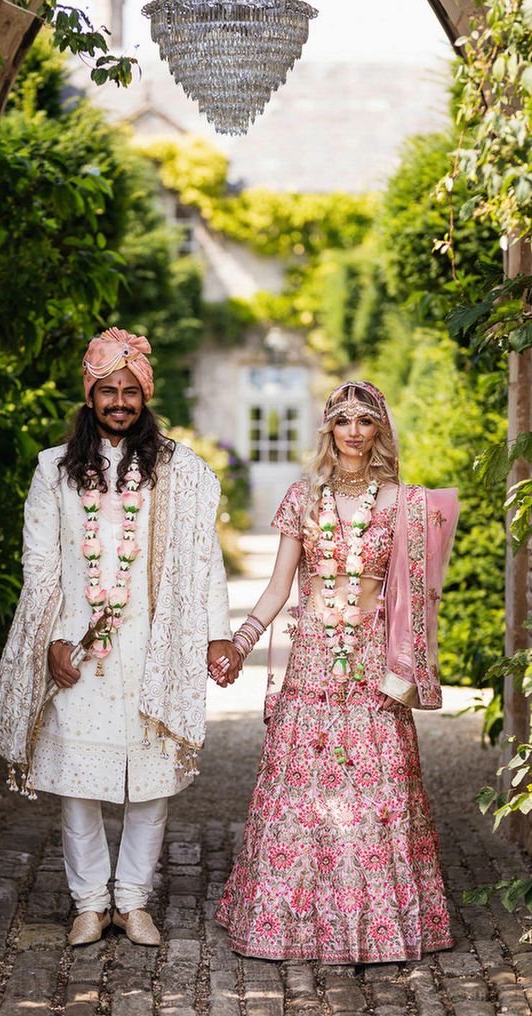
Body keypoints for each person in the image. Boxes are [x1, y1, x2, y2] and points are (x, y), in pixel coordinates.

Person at [0, 327, 240, 946]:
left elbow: (202, 559)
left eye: (129, 391)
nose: (118, 401)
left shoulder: (179, 471)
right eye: (107, 390)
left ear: (144, 397)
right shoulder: (53, 470)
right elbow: (39, 562)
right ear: (90, 396)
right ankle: (89, 903)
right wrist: (52, 641)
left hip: (154, 647)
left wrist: (213, 636)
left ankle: (134, 900)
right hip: (79, 645)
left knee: (148, 779)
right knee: (79, 781)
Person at [215, 380, 459, 963]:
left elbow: (418, 593)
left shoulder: (405, 502)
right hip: (313, 659)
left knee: (380, 782)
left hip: (373, 658)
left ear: (380, 430)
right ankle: (288, 922)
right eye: (343, 420)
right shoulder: (303, 498)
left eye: (365, 420)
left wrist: (410, 662)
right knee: (306, 785)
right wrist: (242, 642)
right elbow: (279, 585)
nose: (353, 431)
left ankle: (380, 922)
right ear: (330, 430)